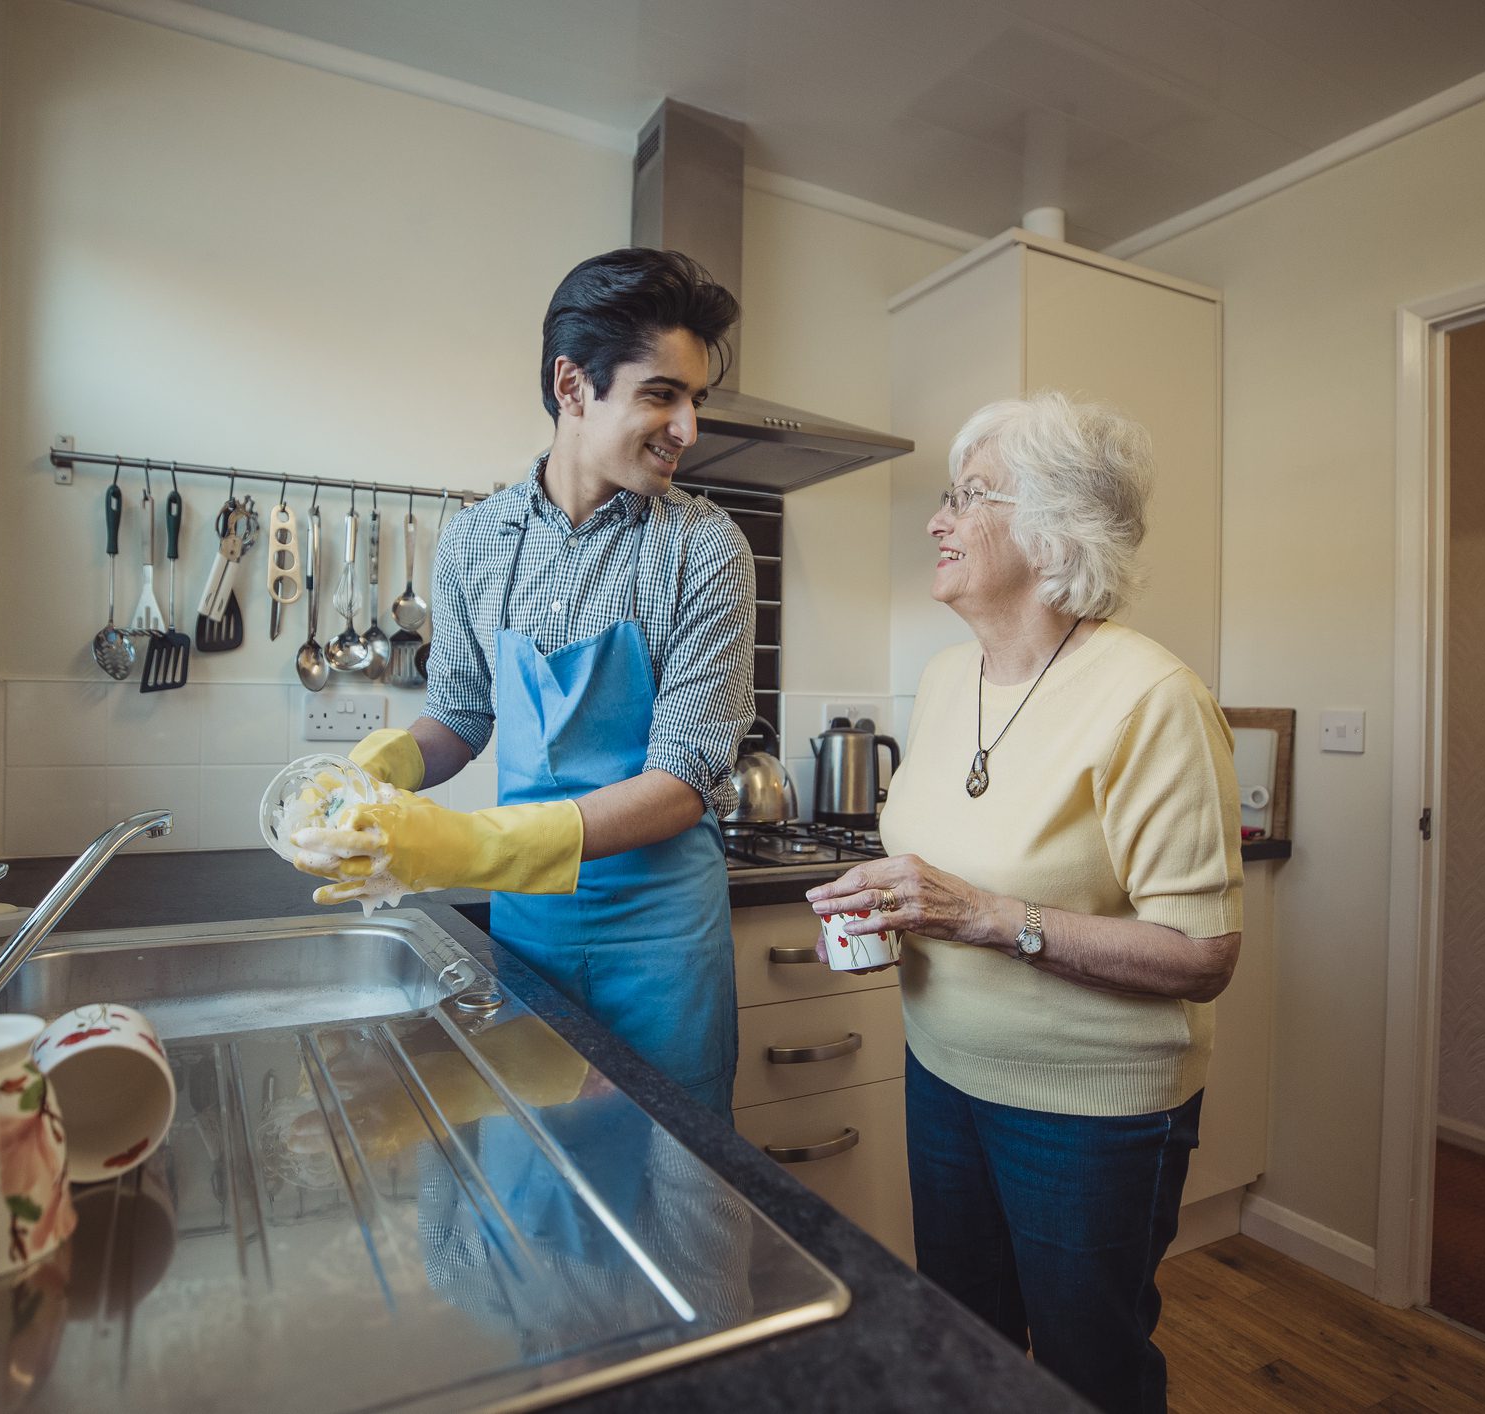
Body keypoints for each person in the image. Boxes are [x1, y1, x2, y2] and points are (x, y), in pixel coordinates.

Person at [806, 392, 1243, 1414]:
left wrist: (983, 915)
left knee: (1090, 1368)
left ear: (1054, 530)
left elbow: (1203, 952)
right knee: (965, 1344)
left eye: (967, 497)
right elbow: (953, 854)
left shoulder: (1152, 697)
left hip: (1085, 1111)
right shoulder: (948, 675)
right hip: (944, 1070)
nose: (936, 519)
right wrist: (896, 900)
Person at [294, 248, 755, 1116]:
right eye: (661, 394)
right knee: (537, 1168)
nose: (688, 427)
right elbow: (460, 716)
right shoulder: (476, 541)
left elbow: (685, 781)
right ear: (573, 386)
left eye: (696, 400)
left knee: (671, 1183)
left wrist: (474, 848)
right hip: (529, 933)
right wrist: (380, 769)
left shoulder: (704, 549)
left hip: (661, 946)